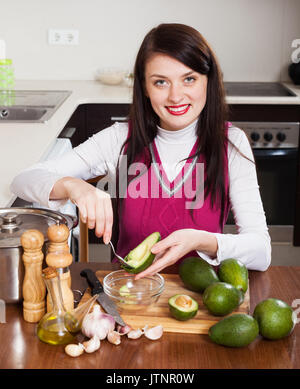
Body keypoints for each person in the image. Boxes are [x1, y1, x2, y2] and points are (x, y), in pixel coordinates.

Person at [11, 23, 271, 279]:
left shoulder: (230, 144)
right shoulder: (119, 138)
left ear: (208, 81)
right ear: (144, 87)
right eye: (161, 82)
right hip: (130, 296)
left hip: (203, 301)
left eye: (189, 79)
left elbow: (261, 252)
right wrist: (72, 186)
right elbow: (22, 181)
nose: (176, 96)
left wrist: (201, 241)